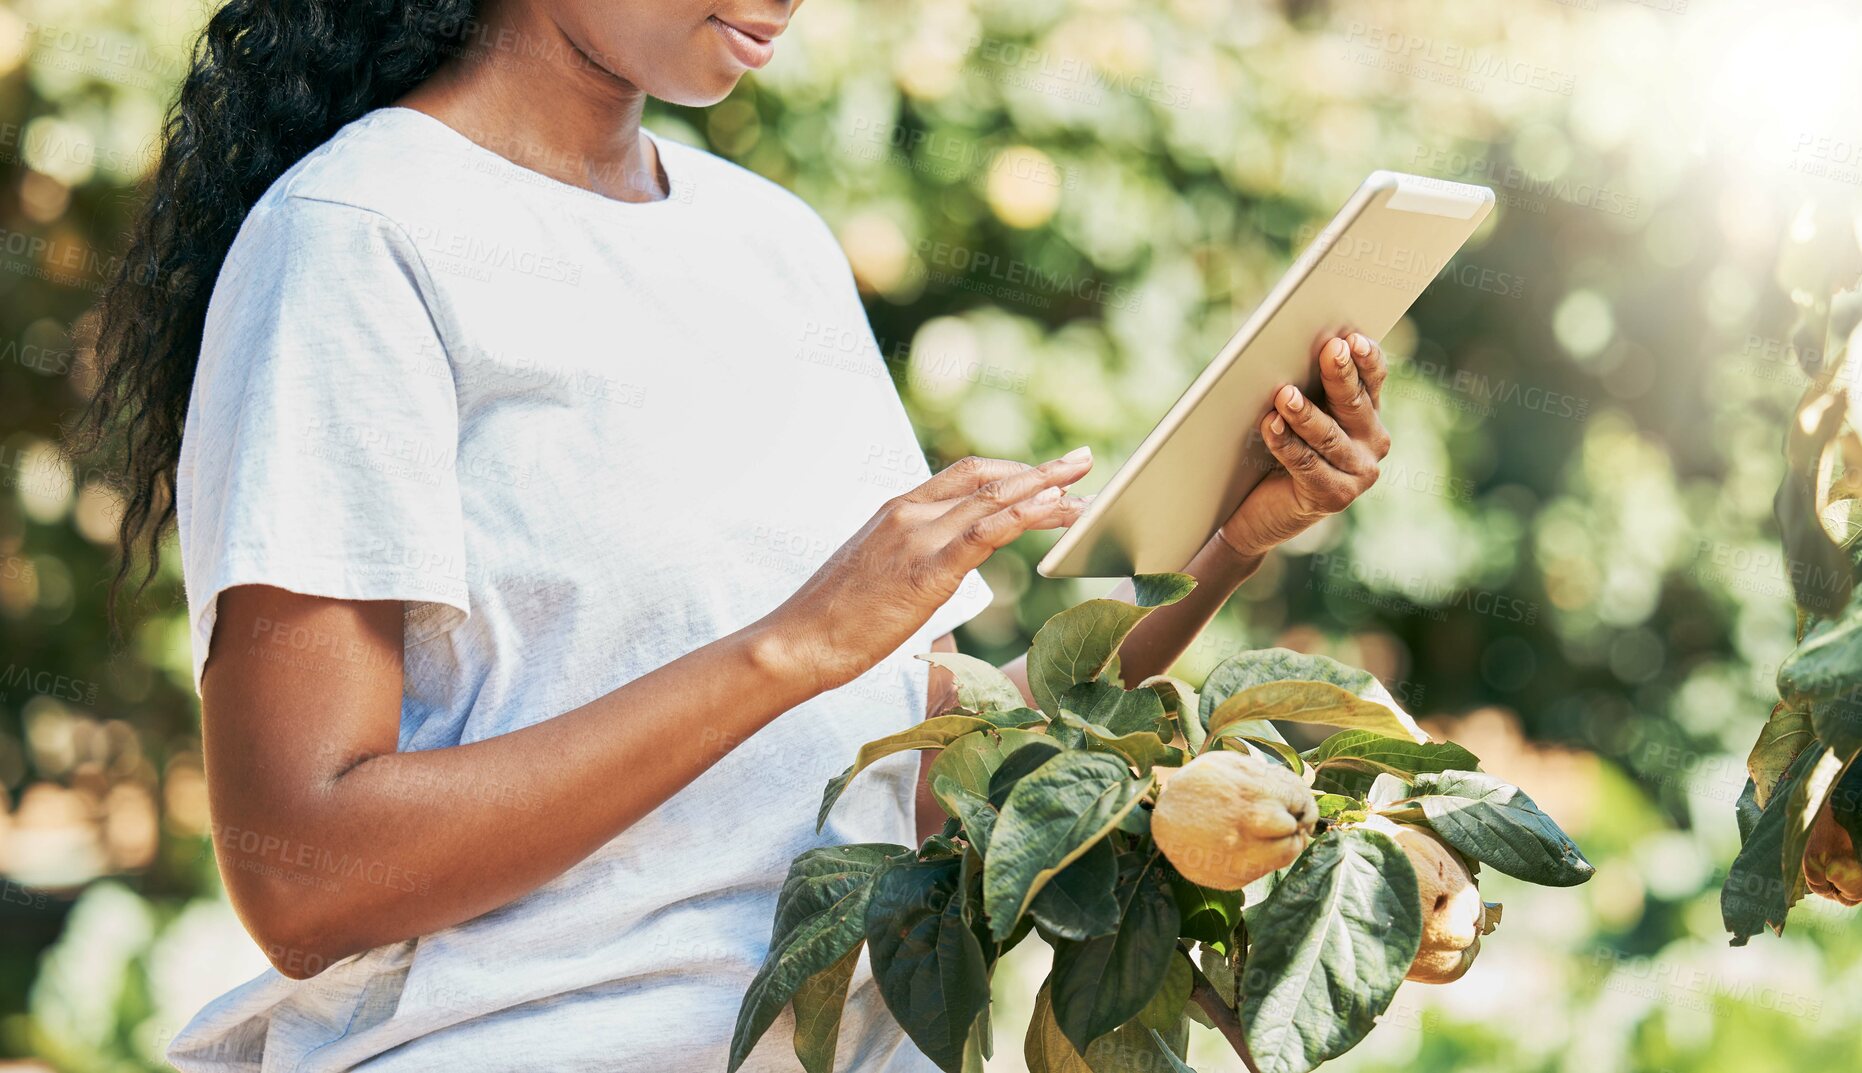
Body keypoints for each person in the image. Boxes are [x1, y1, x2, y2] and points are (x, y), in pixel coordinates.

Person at [85, 1, 1392, 1069]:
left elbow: (938, 777)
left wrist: (1227, 539)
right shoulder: (360, 237)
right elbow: (302, 878)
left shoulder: (768, 244)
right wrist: (789, 646)